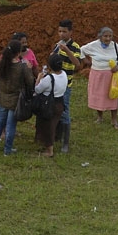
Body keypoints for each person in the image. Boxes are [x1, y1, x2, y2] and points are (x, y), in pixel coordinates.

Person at [0, 41, 33, 156]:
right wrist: (29, 69)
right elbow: (30, 82)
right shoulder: (22, 67)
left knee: (0, 122)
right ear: (18, 53)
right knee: (11, 125)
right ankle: (7, 150)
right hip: (16, 101)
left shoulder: (0, 63)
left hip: (2, 98)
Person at [82, 27, 118, 129]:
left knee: (113, 96)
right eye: (105, 36)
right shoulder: (93, 45)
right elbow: (81, 50)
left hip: (111, 76)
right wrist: (86, 61)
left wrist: (117, 66)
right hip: (97, 75)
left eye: (110, 36)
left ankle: (114, 120)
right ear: (100, 36)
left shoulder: (115, 46)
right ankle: (100, 117)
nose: (108, 39)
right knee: (99, 96)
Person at [51, 20, 82, 154]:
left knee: (64, 111)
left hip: (66, 85)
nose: (61, 34)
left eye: (64, 31)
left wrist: (67, 50)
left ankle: (66, 143)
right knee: (54, 110)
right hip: (55, 83)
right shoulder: (58, 45)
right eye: (60, 31)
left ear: (70, 32)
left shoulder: (75, 46)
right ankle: (57, 135)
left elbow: (77, 64)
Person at [33, 53, 69, 157]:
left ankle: (49, 150)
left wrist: (39, 78)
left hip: (49, 104)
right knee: (54, 124)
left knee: (47, 126)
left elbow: (37, 89)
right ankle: (51, 141)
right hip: (60, 102)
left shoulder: (49, 78)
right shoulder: (64, 74)